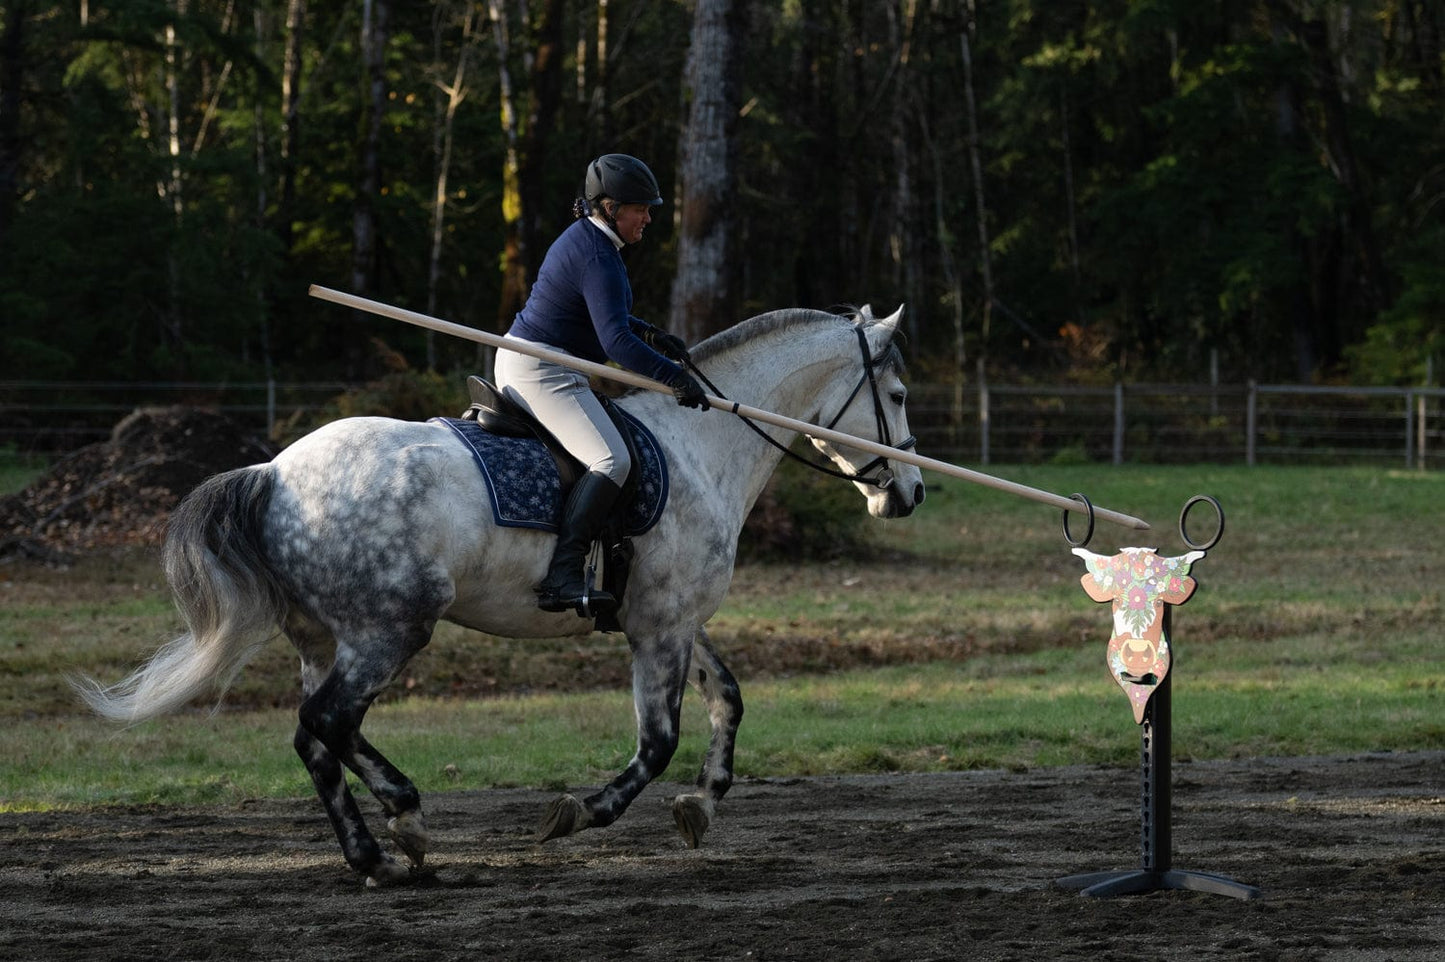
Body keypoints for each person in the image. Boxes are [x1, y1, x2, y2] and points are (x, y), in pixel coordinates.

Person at [495, 153, 710, 616]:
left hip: (536, 361)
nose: (648, 218)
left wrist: (650, 332)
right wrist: (674, 379)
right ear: (611, 207)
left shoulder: (593, 243)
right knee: (612, 460)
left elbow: (604, 315)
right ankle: (563, 575)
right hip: (541, 371)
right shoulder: (598, 254)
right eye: (641, 208)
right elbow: (615, 341)